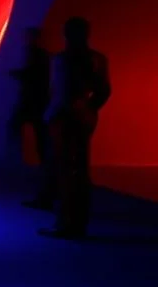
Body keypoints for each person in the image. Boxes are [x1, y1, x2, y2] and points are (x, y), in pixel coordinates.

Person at [39, 17, 111, 241]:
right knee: (78, 169)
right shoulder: (96, 59)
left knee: (65, 171)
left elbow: (56, 91)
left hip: (64, 119)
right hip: (80, 119)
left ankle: (66, 223)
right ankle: (75, 223)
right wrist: (89, 108)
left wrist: (56, 114)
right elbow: (104, 90)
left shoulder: (61, 59)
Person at [8, 28, 53, 210]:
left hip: (34, 102)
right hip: (35, 102)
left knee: (38, 138)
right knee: (36, 136)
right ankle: (34, 167)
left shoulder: (37, 55)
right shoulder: (38, 54)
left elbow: (36, 76)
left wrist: (19, 75)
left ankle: (35, 168)